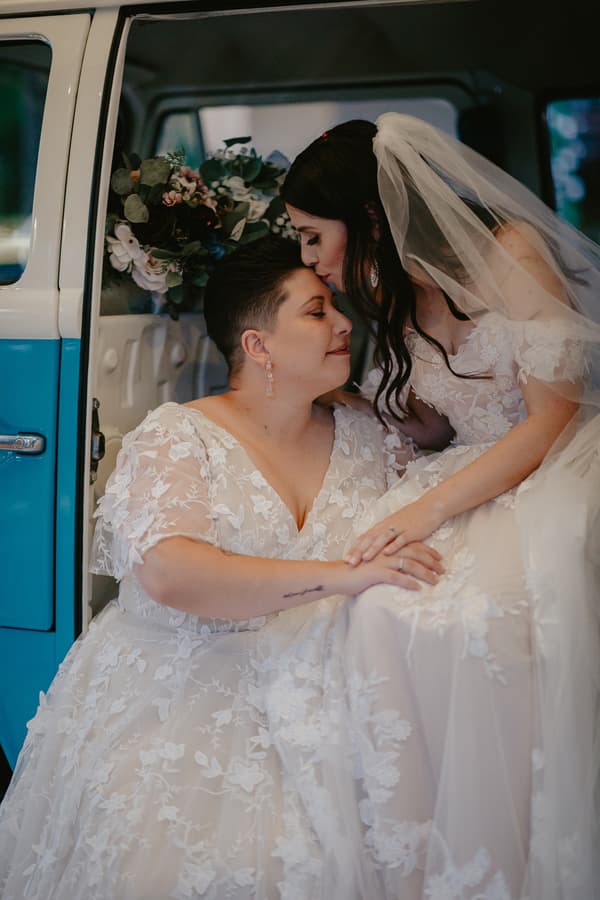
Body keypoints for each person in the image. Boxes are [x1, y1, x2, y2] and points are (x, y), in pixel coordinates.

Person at [0, 235, 443, 900]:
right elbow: (173, 575)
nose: (345, 324)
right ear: (257, 345)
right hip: (184, 700)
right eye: (317, 311)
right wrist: (342, 576)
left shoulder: (370, 436)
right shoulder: (177, 436)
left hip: (330, 688)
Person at [281, 114, 600, 899]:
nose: (308, 259)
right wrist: (345, 402)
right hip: (462, 466)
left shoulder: (510, 257)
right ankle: (415, 837)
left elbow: (551, 417)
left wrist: (424, 513)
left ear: (365, 220)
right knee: (372, 599)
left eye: (311, 237)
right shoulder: (389, 292)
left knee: (480, 613)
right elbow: (435, 421)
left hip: (553, 464)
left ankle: (500, 842)